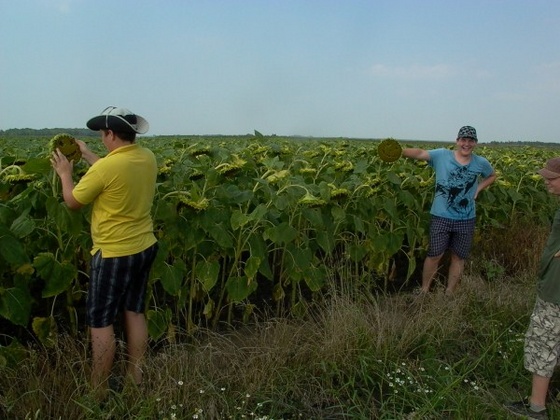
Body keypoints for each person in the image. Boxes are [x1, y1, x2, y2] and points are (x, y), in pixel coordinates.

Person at [50, 106, 158, 398]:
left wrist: (64, 173)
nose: (100, 139)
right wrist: (86, 155)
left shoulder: (106, 167)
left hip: (113, 253)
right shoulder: (146, 157)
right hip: (144, 246)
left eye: (102, 134)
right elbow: (112, 174)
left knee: (101, 321)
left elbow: (73, 201)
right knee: (134, 311)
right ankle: (136, 378)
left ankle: (97, 390)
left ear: (110, 134)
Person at [401, 126, 496, 294]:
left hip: (466, 218)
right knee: (434, 254)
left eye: (470, 140)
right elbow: (420, 153)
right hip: (441, 216)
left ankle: (449, 293)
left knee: (458, 257)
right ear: (457, 141)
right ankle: (424, 291)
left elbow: (492, 175)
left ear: (475, 143)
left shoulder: (480, 162)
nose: (466, 144)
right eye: (463, 140)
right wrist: (399, 151)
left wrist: (478, 188)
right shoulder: (442, 155)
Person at [504, 157, 560, 420]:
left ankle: (536, 408)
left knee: (543, 342)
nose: (546, 181)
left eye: (552, 178)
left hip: (555, 290)